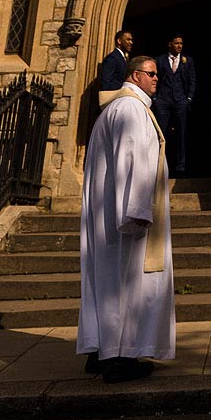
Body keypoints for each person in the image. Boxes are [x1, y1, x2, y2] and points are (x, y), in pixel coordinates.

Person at [77, 53, 175, 383]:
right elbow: (132, 160)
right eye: (150, 73)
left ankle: (100, 350)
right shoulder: (132, 110)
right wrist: (136, 211)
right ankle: (122, 357)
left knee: (105, 283)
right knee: (126, 285)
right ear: (134, 75)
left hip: (109, 216)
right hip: (127, 220)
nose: (156, 78)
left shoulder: (116, 108)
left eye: (157, 74)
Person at [152, 34, 196, 175]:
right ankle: (159, 163)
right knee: (161, 133)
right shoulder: (160, 60)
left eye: (181, 43)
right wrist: (155, 98)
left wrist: (188, 98)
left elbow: (192, 80)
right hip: (163, 101)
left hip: (180, 101)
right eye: (176, 43)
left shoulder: (187, 61)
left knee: (181, 133)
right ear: (169, 44)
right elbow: (154, 78)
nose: (179, 46)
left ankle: (180, 166)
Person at [95, 30, 134, 104]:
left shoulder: (123, 58)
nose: (131, 43)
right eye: (128, 39)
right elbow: (106, 82)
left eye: (131, 40)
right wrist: (122, 91)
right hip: (114, 100)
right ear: (119, 41)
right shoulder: (112, 58)